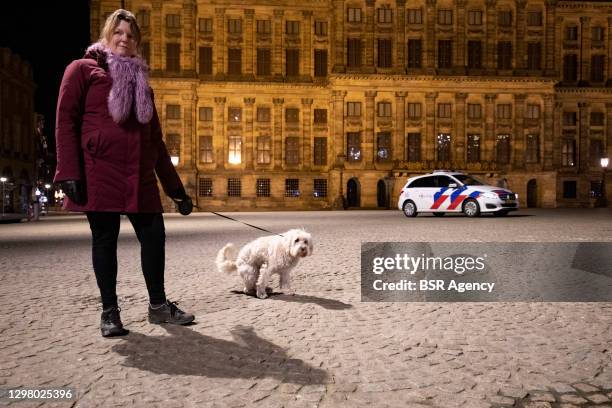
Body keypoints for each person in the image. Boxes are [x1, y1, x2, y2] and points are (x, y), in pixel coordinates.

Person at [54, 9, 195, 337]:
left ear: (137, 44)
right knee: (105, 240)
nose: (124, 39)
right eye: (118, 32)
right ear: (107, 35)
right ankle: (109, 312)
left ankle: (158, 306)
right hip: (100, 170)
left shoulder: (143, 82)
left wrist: (176, 190)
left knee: (154, 236)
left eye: (130, 35)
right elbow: (65, 121)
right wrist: (69, 172)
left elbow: (156, 141)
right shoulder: (82, 69)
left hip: (139, 174)